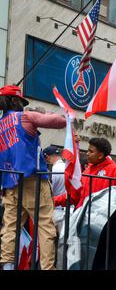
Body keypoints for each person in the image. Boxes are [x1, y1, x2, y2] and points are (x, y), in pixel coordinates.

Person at [0, 85, 66, 270]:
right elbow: (60, 121)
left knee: (10, 228)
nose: (23, 106)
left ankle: (7, 266)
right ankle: (47, 268)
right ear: (15, 101)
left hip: (9, 183)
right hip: (32, 180)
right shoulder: (25, 117)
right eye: (21, 102)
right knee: (45, 225)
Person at [54, 138, 116, 209]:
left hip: (103, 218)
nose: (87, 153)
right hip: (82, 215)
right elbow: (74, 195)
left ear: (100, 155)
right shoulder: (87, 171)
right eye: (88, 150)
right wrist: (53, 201)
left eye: (91, 151)